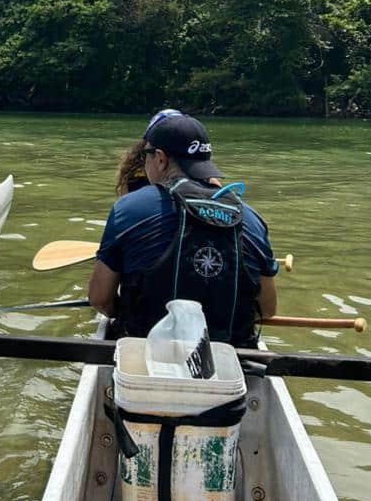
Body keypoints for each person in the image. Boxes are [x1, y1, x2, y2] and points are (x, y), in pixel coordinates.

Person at [88, 109, 278, 347]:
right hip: (230, 363)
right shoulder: (251, 218)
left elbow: (100, 299)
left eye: (146, 156)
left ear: (159, 158)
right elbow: (268, 309)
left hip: (145, 360)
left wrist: (127, 309)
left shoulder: (128, 208)